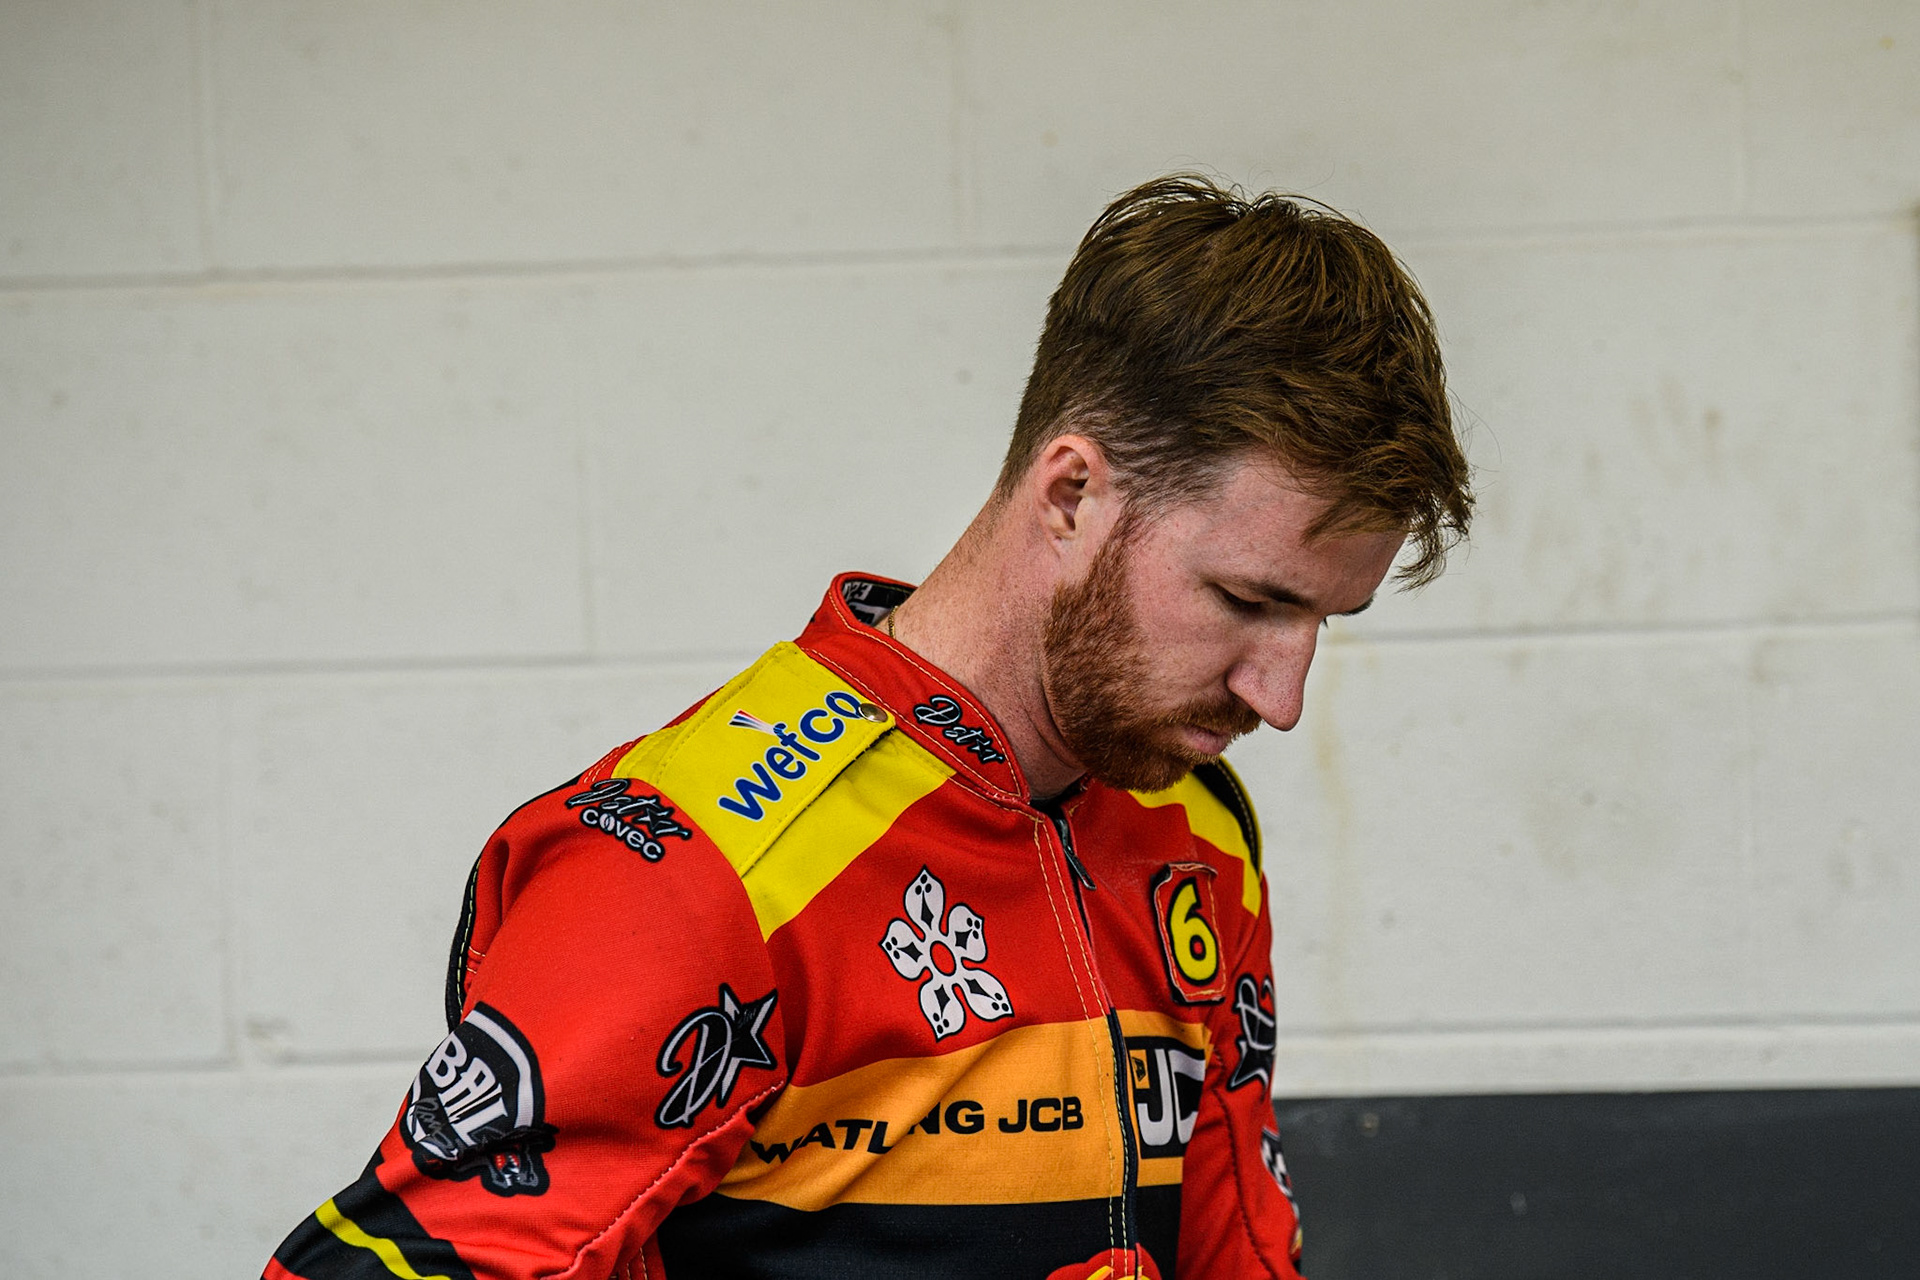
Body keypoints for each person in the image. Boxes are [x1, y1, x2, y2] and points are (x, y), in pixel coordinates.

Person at [262, 174, 1472, 1280]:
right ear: (1071, 495)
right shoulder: (702, 868)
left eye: (1324, 618)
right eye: (1250, 600)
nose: (1283, 693)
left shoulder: (1193, 825)